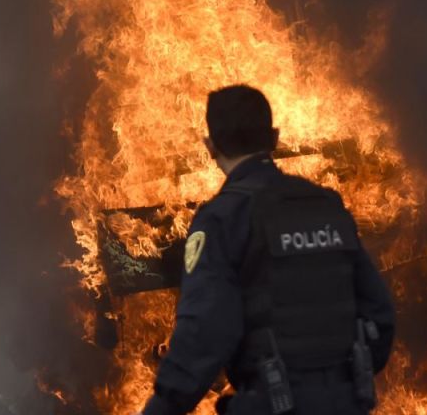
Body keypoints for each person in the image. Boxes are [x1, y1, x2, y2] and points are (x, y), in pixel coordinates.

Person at [142, 85, 396, 415]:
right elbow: (379, 314)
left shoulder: (222, 218)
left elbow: (206, 330)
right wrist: (336, 385)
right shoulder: (326, 206)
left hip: (272, 403)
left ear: (211, 147)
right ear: (274, 138)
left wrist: (163, 406)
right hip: (345, 402)